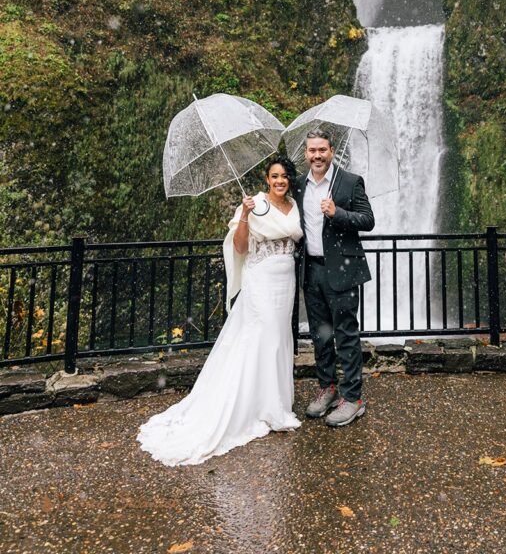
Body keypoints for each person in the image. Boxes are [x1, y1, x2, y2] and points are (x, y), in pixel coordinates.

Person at [137, 156, 303, 466]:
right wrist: (244, 217)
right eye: (275, 176)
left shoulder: (294, 205)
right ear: (267, 179)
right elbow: (240, 247)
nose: (280, 181)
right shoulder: (252, 204)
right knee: (261, 337)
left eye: (284, 177)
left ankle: (276, 404)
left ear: (289, 180)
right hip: (262, 280)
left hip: (286, 280)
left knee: (279, 338)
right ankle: (255, 406)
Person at [293, 129, 375, 427]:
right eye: (312, 150)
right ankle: (327, 388)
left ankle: (353, 398)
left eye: (322, 150)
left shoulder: (350, 182)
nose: (317, 155)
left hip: (342, 271)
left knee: (346, 334)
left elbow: (367, 220)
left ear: (331, 151)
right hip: (312, 271)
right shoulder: (299, 185)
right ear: (306, 154)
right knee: (321, 334)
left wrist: (337, 212)